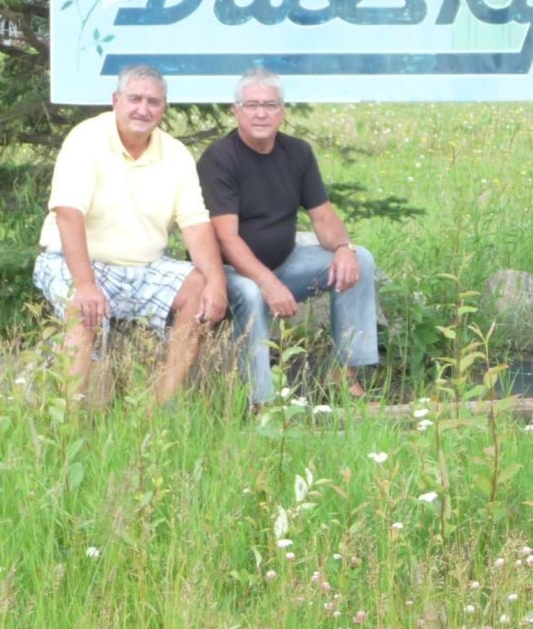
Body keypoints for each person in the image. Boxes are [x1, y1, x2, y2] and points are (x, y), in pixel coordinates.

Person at [32, 64, 227, 403]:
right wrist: (85, 285)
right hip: (75, 261)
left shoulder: (176, 154)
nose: (143, 109)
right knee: (84, 314)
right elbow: (68, 215)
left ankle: (157, 410)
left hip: (143, 268)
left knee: (198, 288)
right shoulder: (86, 139)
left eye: (153, 102)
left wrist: (217, 284)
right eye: (134, 99)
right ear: (116, 100)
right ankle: (69, 423)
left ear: (163, 108)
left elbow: (195, 225)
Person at [197, 67, 379, 404]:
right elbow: (226, 238)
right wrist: (268, 283)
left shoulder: (297, 152)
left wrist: (343, 247)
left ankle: (346, 375)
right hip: (231, 273)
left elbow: (323, 216)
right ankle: (260, 401)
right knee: (252, 293)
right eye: (251, 105)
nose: (261, 113)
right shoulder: (219, 159)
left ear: (282, 111)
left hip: (286, 262)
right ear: (236, 111)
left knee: (361, 259)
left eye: (270, 105)